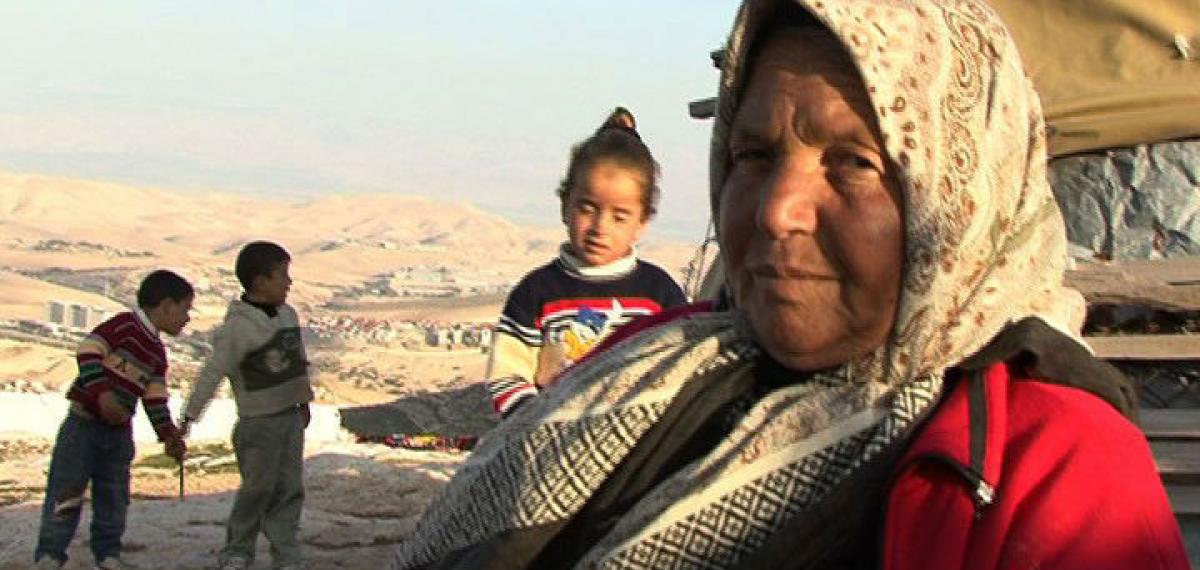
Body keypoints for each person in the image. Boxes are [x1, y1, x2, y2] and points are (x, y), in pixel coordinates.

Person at [390, 0, 1191, 568]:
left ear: (963, 192)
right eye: (754, 156)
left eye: (853, 162)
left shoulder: (1057, 467)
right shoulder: (647, 362)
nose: (776, 211)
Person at [484, 108, 688, 418]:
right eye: (588, 208)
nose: (600, 227)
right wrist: (534, 424)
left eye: (619, 216)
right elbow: (508, 375)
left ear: (642, 222)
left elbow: (681, 369)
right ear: (565, 206)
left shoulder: (659, 294)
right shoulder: (537, 292)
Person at [34, 270, 192, 570]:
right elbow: (88, 351)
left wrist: (169, 435)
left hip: (118, 433)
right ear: (166, 305)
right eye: (185, 309)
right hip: (83, 425)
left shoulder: (157, 353)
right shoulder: (124, 326)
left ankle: (108, 555)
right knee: (67, 491)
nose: (187, 318)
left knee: (114, 496)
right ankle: (50, 555)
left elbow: (155, 399)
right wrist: (103, 395)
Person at [180, 241, 313, 570]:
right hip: (258, 422)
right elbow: (213, 372)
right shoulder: (238, 328)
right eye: (282, 275)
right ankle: (237, 550)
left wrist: (304, 399)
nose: (289, 282)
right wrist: (190, 415)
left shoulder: (288, 315)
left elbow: (297, 361)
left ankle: (286, 553)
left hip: (290, 416)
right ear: (260, 282)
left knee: (290, 488)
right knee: (258, 489)